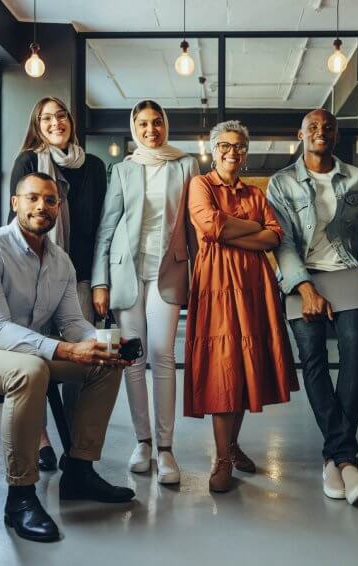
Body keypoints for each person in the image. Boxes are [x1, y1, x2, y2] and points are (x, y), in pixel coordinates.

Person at [0, 173, 135, 543]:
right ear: (16, 203)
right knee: (29, 370)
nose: (41, 206)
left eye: (49, 200)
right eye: (32, 198)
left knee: (104, 364)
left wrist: (101, 343)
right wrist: (66, 349)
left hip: (27, 351)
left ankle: (79, 469)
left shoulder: (61, 261)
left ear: (59, 208)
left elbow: (72, 322)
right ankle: (21, 496)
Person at [267, 109, 358, 505]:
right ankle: (345, 458)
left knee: (356, 354)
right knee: (312, 357)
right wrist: (304, 286)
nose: (320, 132)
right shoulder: (281, 183)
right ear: (300, 134)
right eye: (312, 126)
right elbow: (281, 242)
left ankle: (337, 458)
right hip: (302, 276)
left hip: (347, 274)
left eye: (328, 127)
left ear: (336, 134)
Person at [184, 120, 299, 493]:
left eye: (239, 147)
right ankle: (220, 458)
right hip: (217, 284)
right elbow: (210, 226)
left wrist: (235, 230)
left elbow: (274, 236)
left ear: (245, 153)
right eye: (225, 146)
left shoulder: (255, 192)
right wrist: (250, 229)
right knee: (223, 365)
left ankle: (231, 446)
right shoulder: (200, 184)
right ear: (214, 149)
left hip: (252, 285)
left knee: (245, 364)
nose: (232, 152)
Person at [91, 100, 199, 485]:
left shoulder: (185, 165)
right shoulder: (122, 169)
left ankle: (167, 449)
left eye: (156, 122)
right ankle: (143, 442)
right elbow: (107, 226)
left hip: (168, 271)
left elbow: (192, 225)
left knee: (163, 353)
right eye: (143, 124)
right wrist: (99, 281)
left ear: (165, 125)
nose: (151, 130)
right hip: (126, 272)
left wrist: (199, 275)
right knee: (133, 358)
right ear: (134, 128)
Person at [9, 96, 107, 471]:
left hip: (77, 274)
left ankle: (75, 446)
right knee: (35, 357)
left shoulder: (94, 166)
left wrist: (100, 280)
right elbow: (18, 219)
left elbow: (102, 227)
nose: (55, 123)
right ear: (38, 124)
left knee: (79, 361)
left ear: (71, 120)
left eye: (61, 115)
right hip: (35, 273)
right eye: (46, 118)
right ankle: (41, 440)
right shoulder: (29, 161)